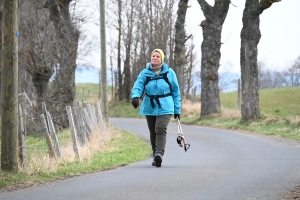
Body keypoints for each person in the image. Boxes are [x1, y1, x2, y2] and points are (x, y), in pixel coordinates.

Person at [130, 48, 181, 167]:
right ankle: (155, 156)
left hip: (166, 105)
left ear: (162, 59)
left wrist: (177, 110)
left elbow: (176, 92)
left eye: (158, 56)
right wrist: (135, 97)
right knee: (152, 132)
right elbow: (138, 85)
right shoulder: (145, 73)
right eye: (153, 56)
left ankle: (159, 153)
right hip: (150, 105)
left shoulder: (170, 73)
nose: (155, 58)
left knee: (160, 129)